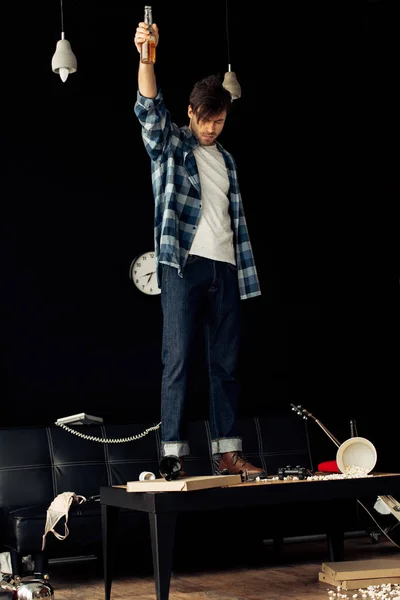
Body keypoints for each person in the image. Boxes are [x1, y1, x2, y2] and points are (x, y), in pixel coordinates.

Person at [133, 19, 266, 480]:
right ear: (191, 112)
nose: (213, 128)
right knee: (179, 358)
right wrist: (146, 57)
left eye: (220, 121)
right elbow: (149, 108)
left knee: (226, 363)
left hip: (227, 267)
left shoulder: (226, 159)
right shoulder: (171, 144)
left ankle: (227, 452)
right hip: (183, 264)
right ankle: (172, 453)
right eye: (207, 119)